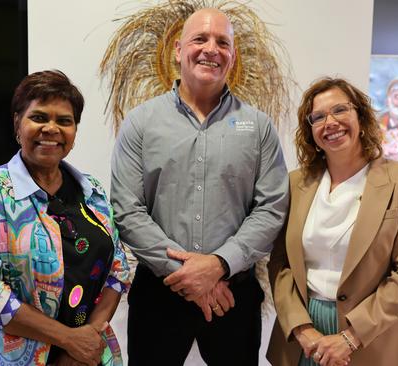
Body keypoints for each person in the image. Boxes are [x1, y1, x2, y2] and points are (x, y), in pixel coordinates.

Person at [110, 7, 289, 366]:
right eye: (200, 39)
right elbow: (127, 209)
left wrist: (219, 265)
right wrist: (189, 275)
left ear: (233, 56)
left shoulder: (258, 127)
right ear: (178, 50)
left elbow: (271, 208)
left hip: (232, 296)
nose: (212, 48)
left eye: (223, 42)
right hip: (158, 294)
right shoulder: (141, 123)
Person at [0, 70, 130, 366]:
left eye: (64, 121)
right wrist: (66, 339)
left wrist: (87, 339)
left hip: (90, 356)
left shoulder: (92, 191)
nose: (51, 128)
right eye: (39, 117)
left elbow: (119, 268)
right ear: (18, 124)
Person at [267, 77, 398, 366]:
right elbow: (281, 264)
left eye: (340, 110)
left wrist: (350, 337)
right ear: (310, 130)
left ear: (362, 117)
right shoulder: (295, 184)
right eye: (318, 117)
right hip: (307, 336)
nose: (330, 122)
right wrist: (301, 328)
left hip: (375, 335)